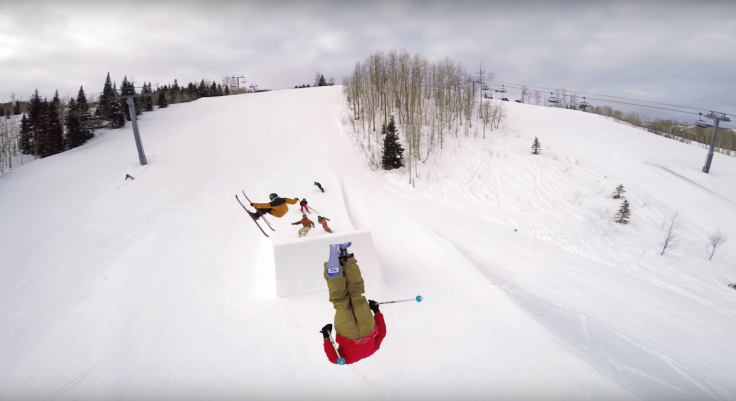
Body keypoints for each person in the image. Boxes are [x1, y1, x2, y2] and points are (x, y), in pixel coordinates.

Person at [320, 245, 385, 364]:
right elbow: (334, 359)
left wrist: (376, 311)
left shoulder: (372, 350)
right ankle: (335, 269)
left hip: (368, 328)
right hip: (348, 334)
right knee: (340, 300)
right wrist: (326, 337)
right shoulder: (348, 360)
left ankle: (346, 257)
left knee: (356, 292)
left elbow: (382, 333)